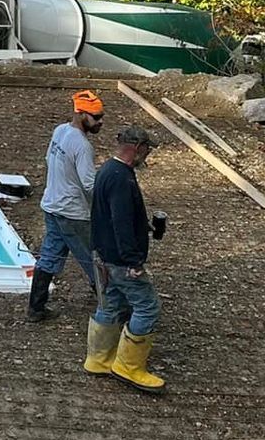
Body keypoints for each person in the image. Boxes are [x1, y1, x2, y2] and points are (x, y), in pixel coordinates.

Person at [85, 125, 163, 393]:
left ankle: (98, 359)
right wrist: (133, 262)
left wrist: (143, 225)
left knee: (110, 305)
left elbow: (108, 216)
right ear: (137, 147)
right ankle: (129, 367)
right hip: (120, 261)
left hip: (103, 255)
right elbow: (120, 222)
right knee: (148, 307)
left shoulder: (107, 170)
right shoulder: (122, 178)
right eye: (147, 149)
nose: (148, 154)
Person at [27, 89, 104, 322]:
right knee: (94, 259)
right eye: (95, 117)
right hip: (73, 213)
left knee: (49, 257)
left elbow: (48, 160)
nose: (100, 122)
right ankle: (111, 307)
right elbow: (89, 184)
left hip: (52, 206)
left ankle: (35, 308)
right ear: (80, 114)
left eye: (101, 116)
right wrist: (107, 205)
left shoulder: (60, 131)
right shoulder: (82, 145)